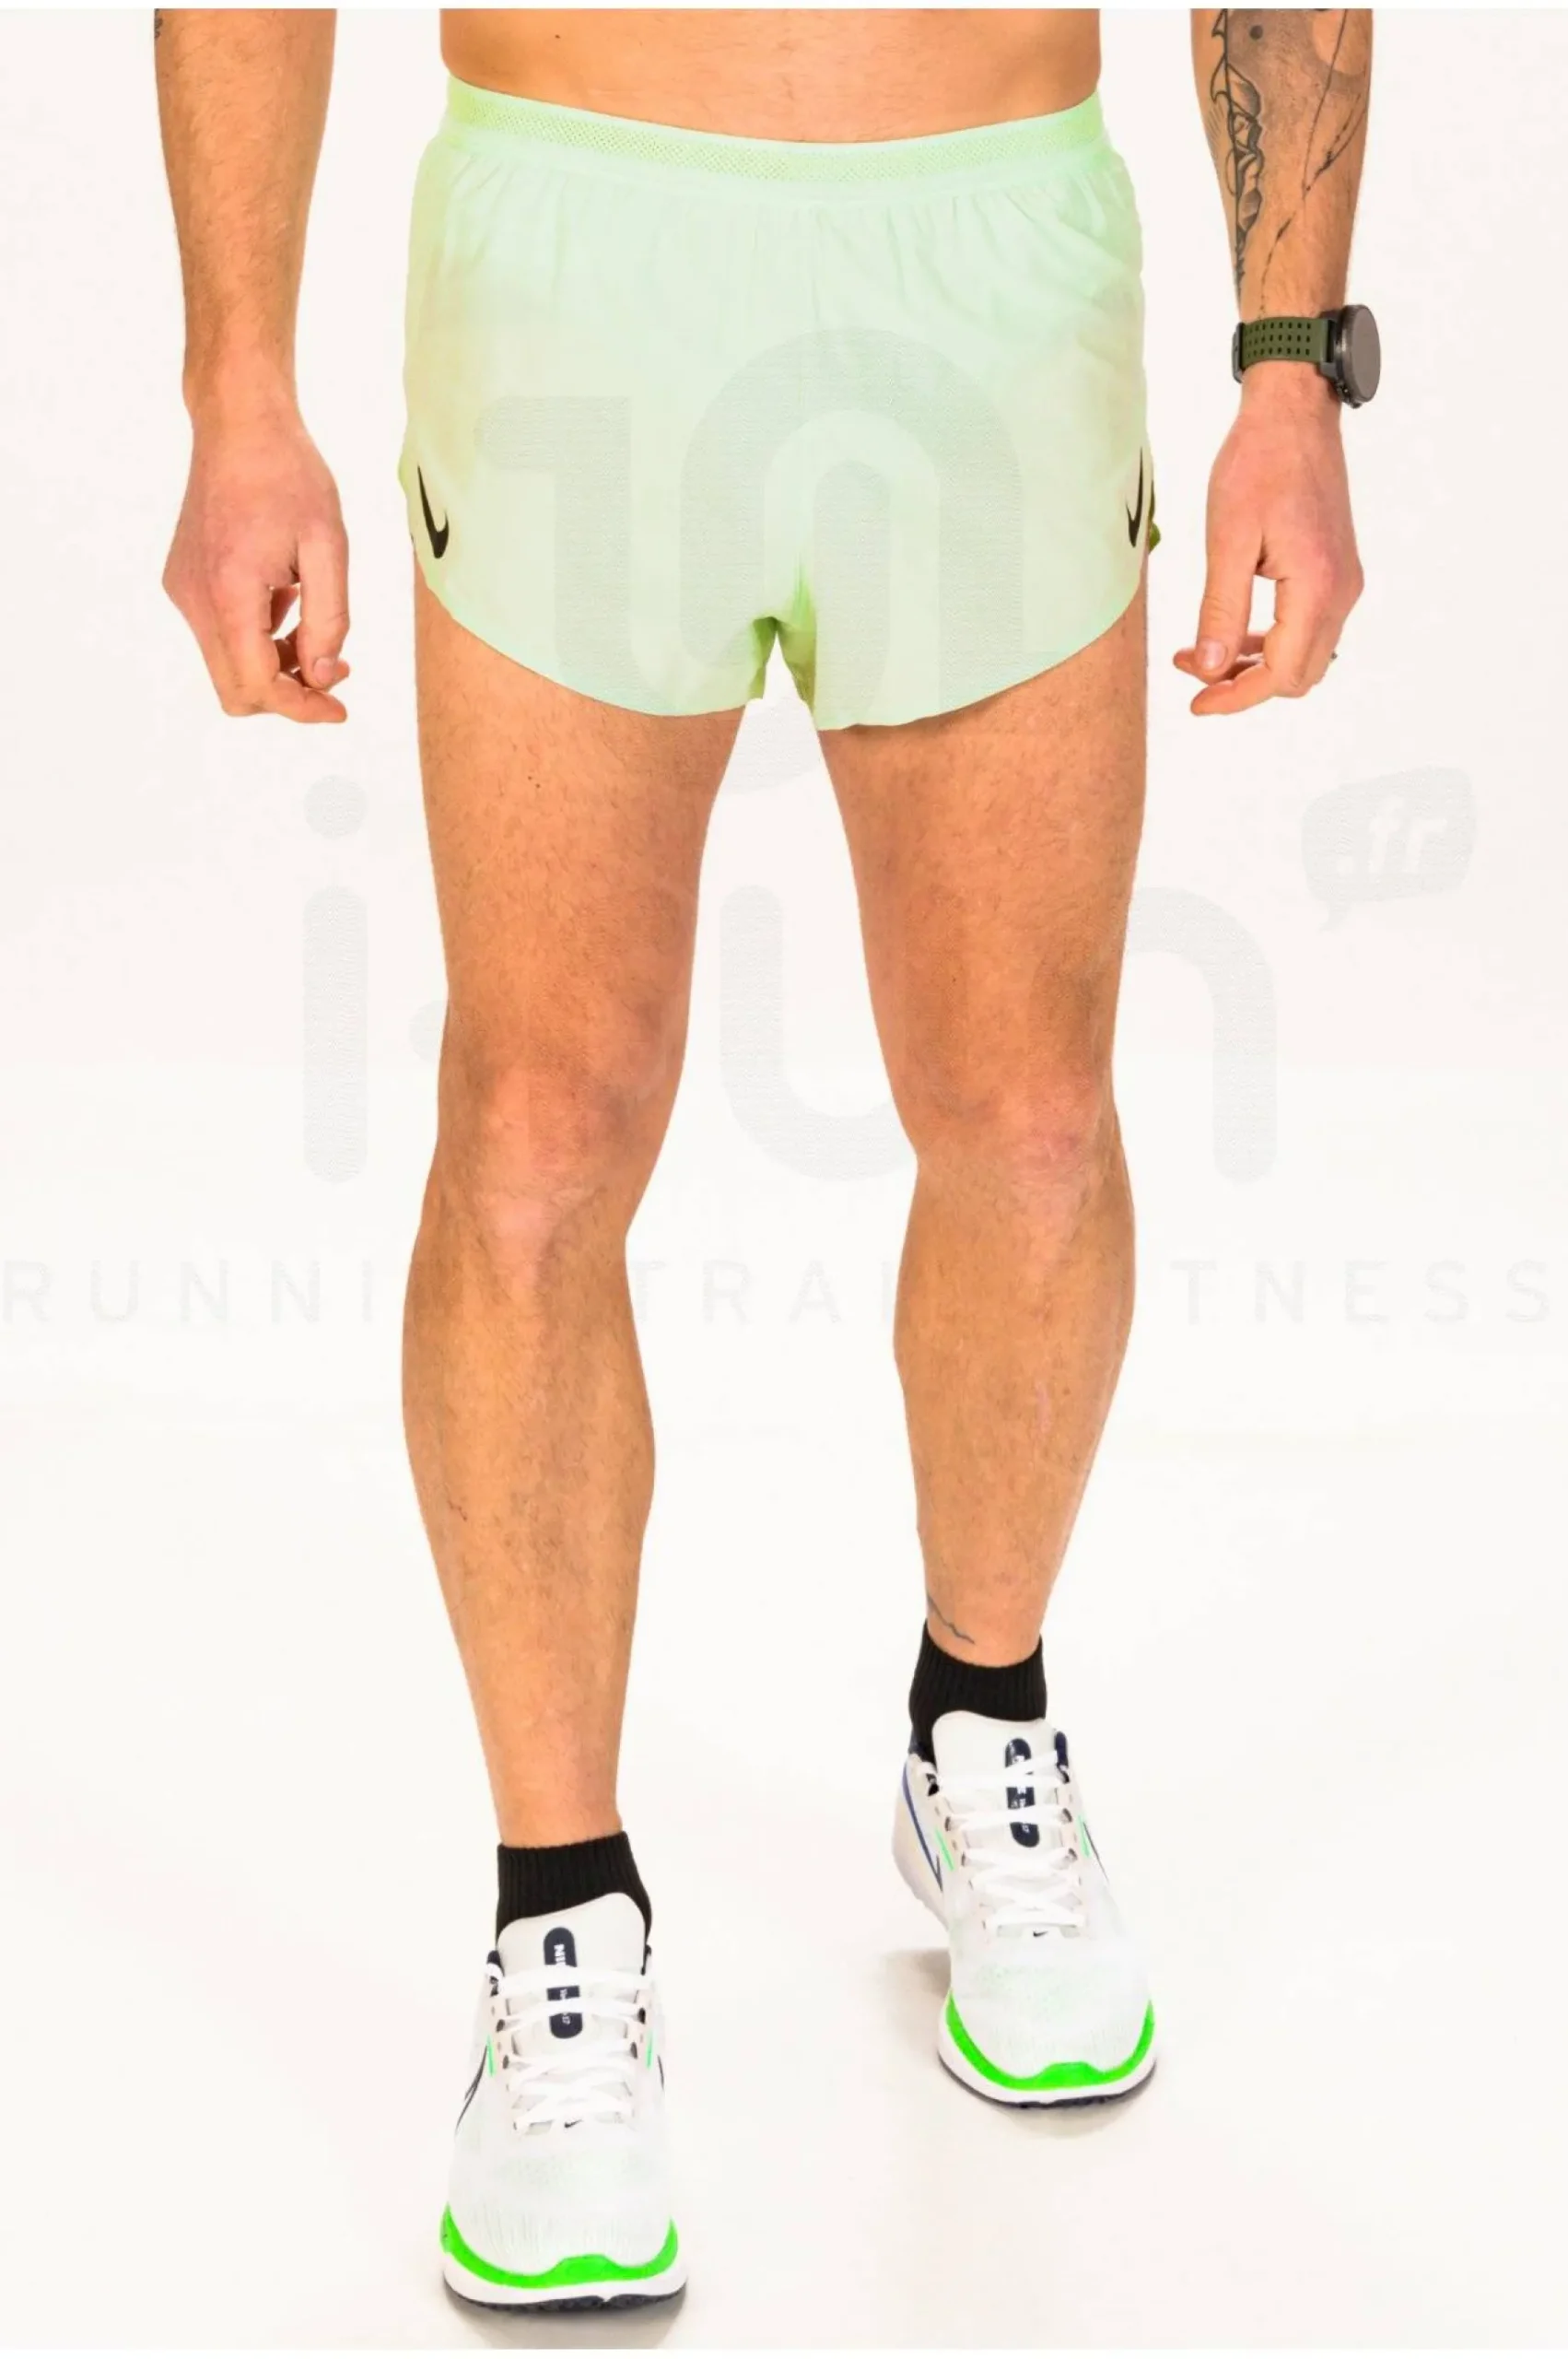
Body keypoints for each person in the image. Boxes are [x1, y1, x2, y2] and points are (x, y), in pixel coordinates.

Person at [156, 6, 1374, 2311]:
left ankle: (978, 1719)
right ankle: (560, 1927)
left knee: (1026, 1117)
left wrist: (1287, 368)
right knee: (534, 1134)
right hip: (580, 239)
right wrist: (236, 388)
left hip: (987, 243)